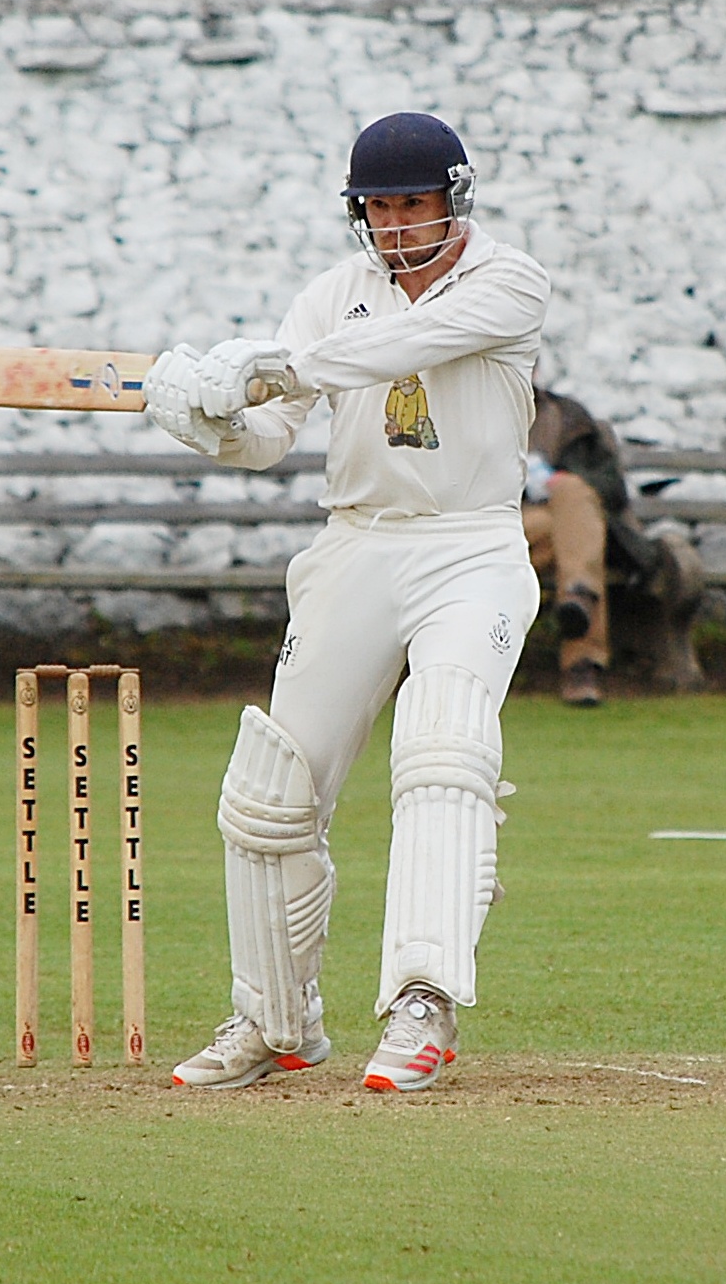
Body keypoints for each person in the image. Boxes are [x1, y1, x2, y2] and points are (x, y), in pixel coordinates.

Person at [141, 112, 547, 1093]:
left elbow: (401, 344)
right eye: (379, 207)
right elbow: (273, 431)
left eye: (414, 203)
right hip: (355, 544)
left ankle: (422, 1003)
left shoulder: (507, 282)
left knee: (443, 749)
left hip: (470, 547)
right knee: (273, 792)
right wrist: (207, 420)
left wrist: (270, 364)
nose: (398, 224)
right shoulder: (331, 295)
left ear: (454, 199)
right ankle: (274, 1021)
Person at [523, 388, 629, 706]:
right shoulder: (471, 409)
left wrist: (558, 481)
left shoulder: (568, 418)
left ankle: (578, 597)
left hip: (561, 529)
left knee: (571, 492)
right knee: (578, 543)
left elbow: (613, 488)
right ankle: (582, 662)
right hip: (500, 528)